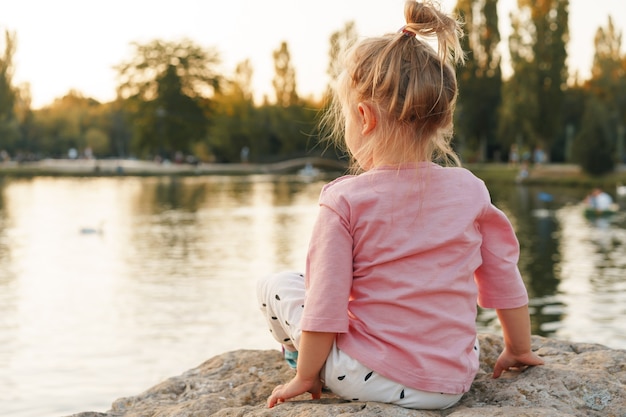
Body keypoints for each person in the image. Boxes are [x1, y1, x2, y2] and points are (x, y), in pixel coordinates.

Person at [257, 0, 543, 410]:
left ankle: (307, 364)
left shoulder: (343, 200)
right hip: (452, 380)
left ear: (364, 116)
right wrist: (517, 347)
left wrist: (304, 378)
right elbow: (503, 277)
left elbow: (326, 303)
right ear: (441, 120)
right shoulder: (471, 190)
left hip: (369, 378)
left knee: (277, 285)